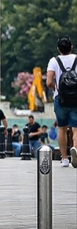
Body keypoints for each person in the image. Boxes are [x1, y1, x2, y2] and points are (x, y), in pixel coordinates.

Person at [46, 36, 77, 168]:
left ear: (58, 49)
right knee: (76, 128)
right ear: (71, 47)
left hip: (61, 98)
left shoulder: (54, 61)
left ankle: (64, 158)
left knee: (62, 127)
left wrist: (56, 89)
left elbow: (48, 82)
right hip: (76, 98)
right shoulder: (76, 58)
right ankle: (75, 148)